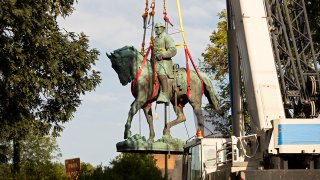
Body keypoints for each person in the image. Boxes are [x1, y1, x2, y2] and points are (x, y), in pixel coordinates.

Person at [154, 22, 177, 104]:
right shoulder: (155, 39)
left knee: (160, 72)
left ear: (163, 28)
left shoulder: (167, 38)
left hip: (165, 62)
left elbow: (173, 50)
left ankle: (165, 94)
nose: (156, 29)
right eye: (155, 28)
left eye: (158, 28)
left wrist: (163, 54)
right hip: (155, 61)